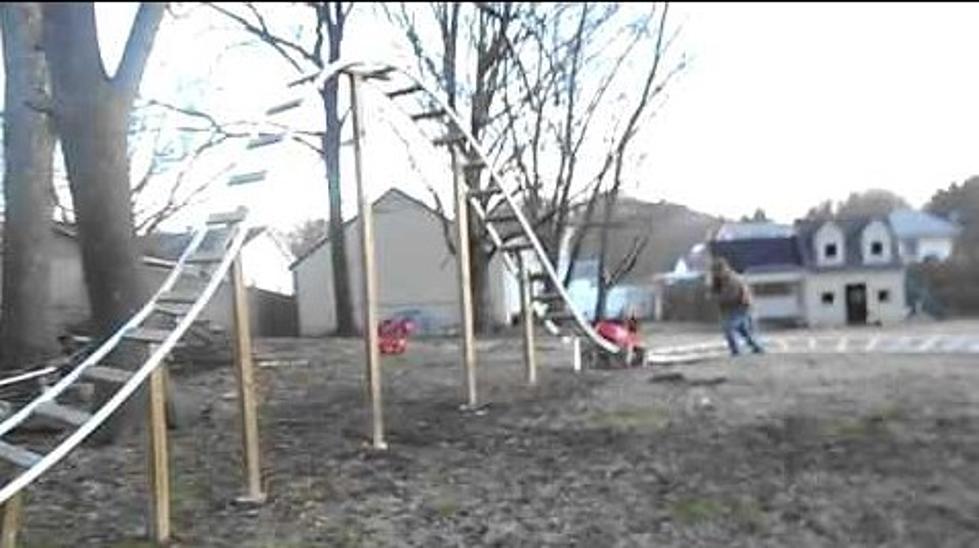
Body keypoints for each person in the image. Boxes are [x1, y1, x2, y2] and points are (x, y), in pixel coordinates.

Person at [709, 257, 764, 356]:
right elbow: (714, 292)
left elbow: (730, 296)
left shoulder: (733, 279)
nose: (716, 274)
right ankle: (756, 347)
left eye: (718, 271)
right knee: (743, 330)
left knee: (729, 328)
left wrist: (716, 297)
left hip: (741, 306)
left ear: (724, 269)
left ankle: (736, 351)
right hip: (730, 307)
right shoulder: (718, 280)